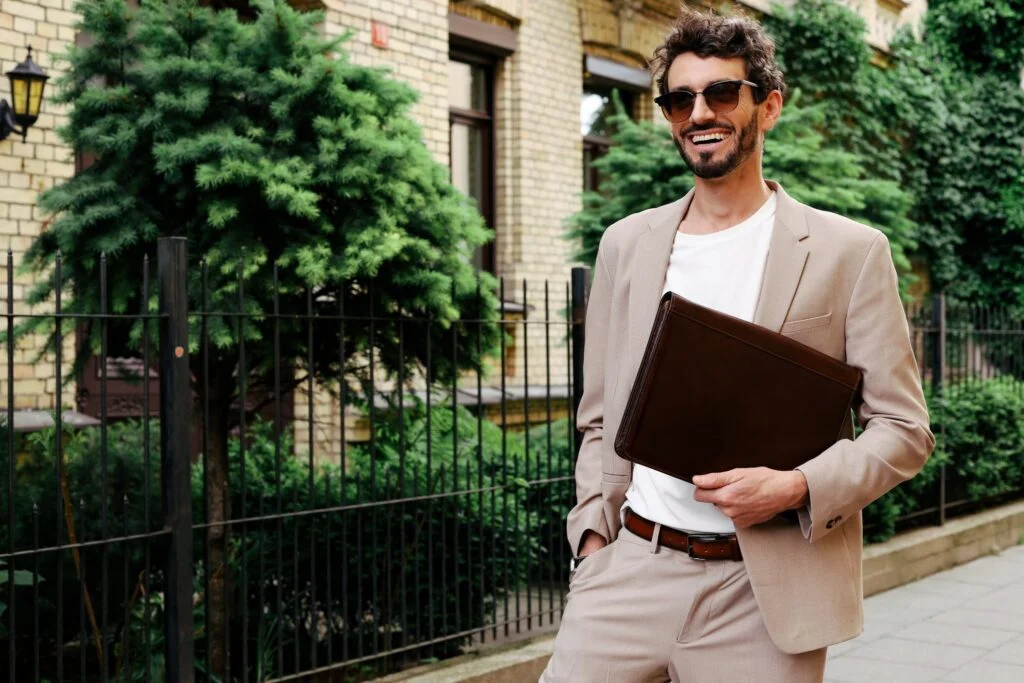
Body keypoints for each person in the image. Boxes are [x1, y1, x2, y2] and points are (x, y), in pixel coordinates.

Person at [539, 9, 934, 683]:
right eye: (680, 98)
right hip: (630, 567)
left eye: (722, 93)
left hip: (764, 593)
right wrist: (593, 539)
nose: (699, 113)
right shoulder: (627, 246)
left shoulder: (849, 253)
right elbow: (601, 416)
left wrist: (797, 486)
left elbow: (904, 429)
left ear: (768, 106)